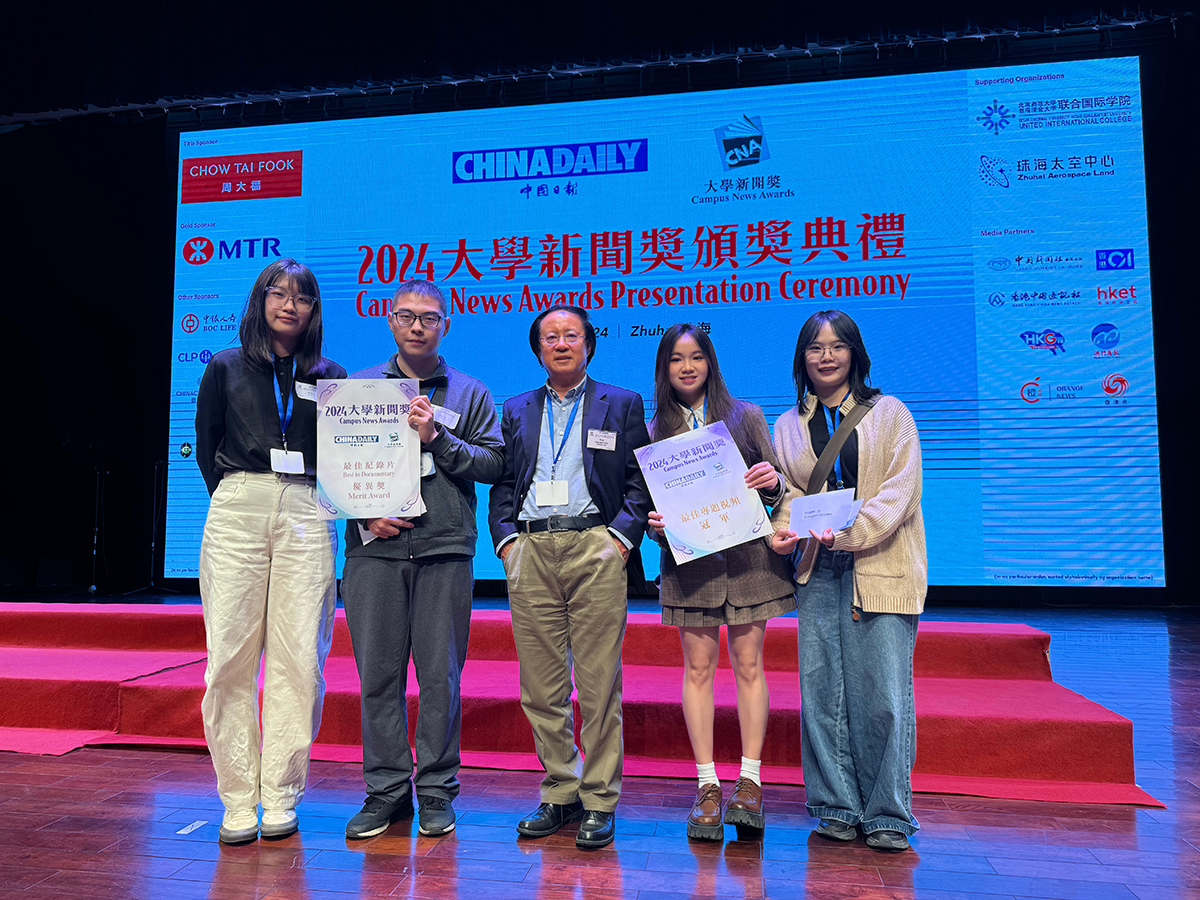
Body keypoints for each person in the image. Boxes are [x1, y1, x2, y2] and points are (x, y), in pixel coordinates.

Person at [340, 279, 504, 839]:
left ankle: (435, 790)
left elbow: (493, 465)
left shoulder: (470, 392)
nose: (417, 326)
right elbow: (331, 468)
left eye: (429, 317)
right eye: (406, 315)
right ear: (389, 320)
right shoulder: (356, 389)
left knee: (440, 678)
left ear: (445, 325)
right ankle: (386, 791)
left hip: (445, 549)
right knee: (377, 677)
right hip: (373, 552)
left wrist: (437, 438)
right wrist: (363, 517)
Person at [194, 258, 346, 844]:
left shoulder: (330, 376)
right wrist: (240, 493)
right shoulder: (225, 366)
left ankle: (281, 794)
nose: (289, 304)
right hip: (239, 503)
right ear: (260, 301)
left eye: (301, 297)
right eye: (278, 293)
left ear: (313, 311)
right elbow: (208, 445)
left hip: (307, 506)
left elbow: (343, 455)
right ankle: (237, 800)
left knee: (300, 658)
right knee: (228, 658)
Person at [488, 306, 651, 850]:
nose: (561, 343)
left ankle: (600, 798)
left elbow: (639, 479)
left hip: (594, 547)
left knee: (599, 684)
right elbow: (505, 481)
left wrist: (620, 539)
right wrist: (506, 540)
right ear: (538, 349)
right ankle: (561, 789)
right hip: (531, 548)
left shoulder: (621, 403)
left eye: (571, 335)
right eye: (550, 336)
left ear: (589, 345)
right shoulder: (516, 408)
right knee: (541, 686)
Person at [769, 309, 926, 852]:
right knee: (821, 694)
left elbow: (900, 492)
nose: (826, 356)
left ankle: (888, 813)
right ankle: (835, 806)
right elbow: (790, 493)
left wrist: (847, 532)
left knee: (883, 696)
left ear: (855, 353)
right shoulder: (787, 425)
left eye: (837, 346)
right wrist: (785, 530)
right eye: (815, 347)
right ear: (802, 358)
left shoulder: (891, 414)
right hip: (817, 570)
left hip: (880, 565)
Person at [645, 324, 795, 841]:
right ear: (664, 369)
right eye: (676, 359)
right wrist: (656, 525)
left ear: (710, 362)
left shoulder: (745, 415)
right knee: (698, 670)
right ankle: (707, 785)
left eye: (696, 357)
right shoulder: (652, 431)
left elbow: (778, 485)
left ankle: (750, 782)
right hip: (691, 570)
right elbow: (650, 507)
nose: (687, 367)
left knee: (750, 667)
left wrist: (771, 484)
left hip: (750, 564)